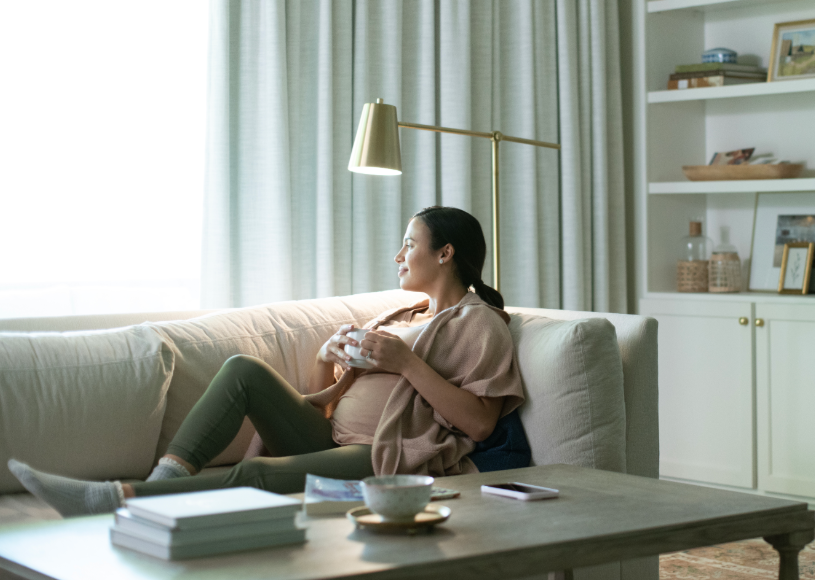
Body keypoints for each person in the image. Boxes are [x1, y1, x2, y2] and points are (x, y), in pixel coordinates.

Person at [9, 207, 525, 517]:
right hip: (331, 436)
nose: (398, 255)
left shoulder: (478, 323)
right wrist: (328, 359)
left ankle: (117, 501)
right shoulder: (404, 312)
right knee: (242, 370)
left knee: (255, 471)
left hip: (389, 455)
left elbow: (480, 422)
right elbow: (330, 399)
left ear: (445, 254)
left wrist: (408, 363)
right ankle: (160, 489)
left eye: (409, 244)